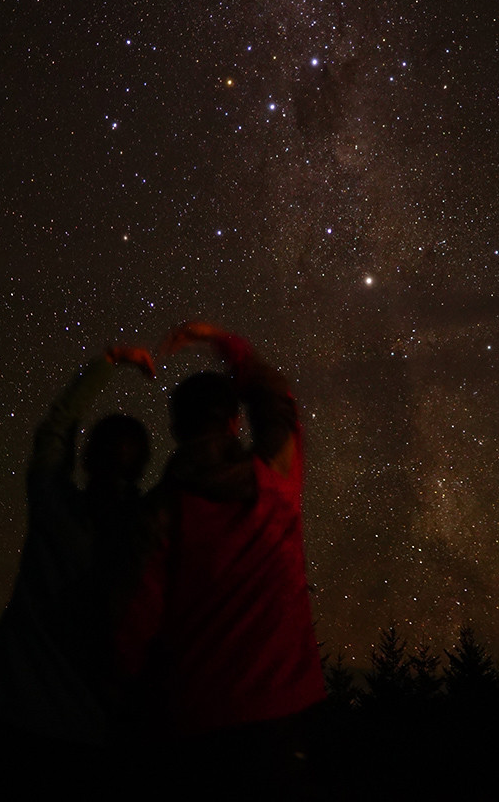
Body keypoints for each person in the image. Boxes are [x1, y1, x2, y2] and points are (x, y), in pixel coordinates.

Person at [117, 322, 327, 797]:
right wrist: (224, 342)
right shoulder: (275, 478)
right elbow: (277, 401)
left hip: (192, 723)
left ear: (175, 429)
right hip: (285, 716)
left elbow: (131, 627)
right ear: (235, 420)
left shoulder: (157, 512)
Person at [0, 344, 154, 770]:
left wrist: (109, 359)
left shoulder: (53, 505)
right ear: (144, 466)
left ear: (86, 458)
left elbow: (55, 429)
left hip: (0, 703)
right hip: (83, 729)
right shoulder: (147, 538)